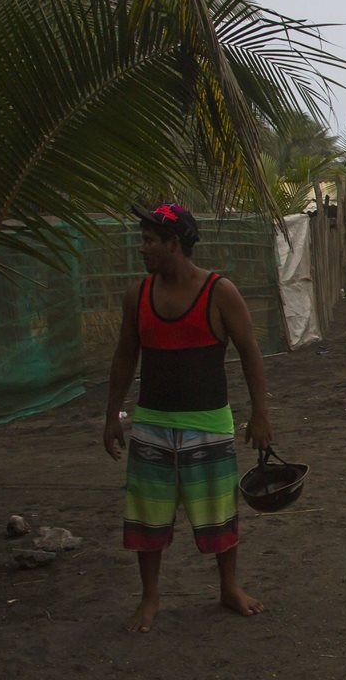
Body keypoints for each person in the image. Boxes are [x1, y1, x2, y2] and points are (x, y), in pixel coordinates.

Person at [101, 203, 273, 634]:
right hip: (152, 423)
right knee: (148, 518)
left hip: (208, 423)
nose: (142, 249)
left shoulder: (219, 292)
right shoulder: (137, 295)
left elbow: (251, 352)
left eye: (149, 241)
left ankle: (228, 587)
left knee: (219, 512)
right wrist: (111, 416)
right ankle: (150, 597)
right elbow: (124, 357)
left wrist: (260, 415)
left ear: (174, 244)